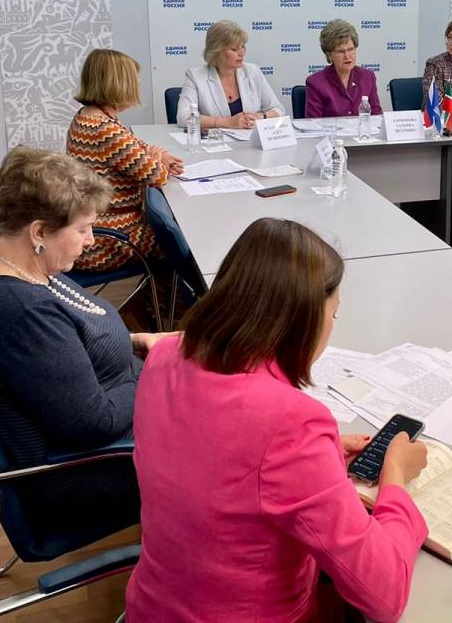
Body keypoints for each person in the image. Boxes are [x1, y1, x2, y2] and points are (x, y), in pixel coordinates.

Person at [127, 218, 430, 622]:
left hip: (153, 606)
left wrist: (320, 458)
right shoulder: (291, 422)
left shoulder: (165, 357)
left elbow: (216, 462)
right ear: (306, 320)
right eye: (334, 315)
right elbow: (385, 594)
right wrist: (395, 475)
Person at [0, 147, 175, 539]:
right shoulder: (25, 314)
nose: (91, 240)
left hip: (107, 439)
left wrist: (137, 341)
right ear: (39, 232)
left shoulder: (16, 268)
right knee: (232, 447)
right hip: (86, 472)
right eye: (83, 229)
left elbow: (64, 348)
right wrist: (158, 370)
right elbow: (95, 422)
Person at [67, 48, 182, 276]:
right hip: (107, 237)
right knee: (179, 241)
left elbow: (135, 145)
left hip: (92, 225)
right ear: (119, 84)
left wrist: (155, 155)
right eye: (134, 80)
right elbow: (157, 176)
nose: (137, 85)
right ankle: (166, 298)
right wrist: (156, 159)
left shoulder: (88, 116)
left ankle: (156, 294)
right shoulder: (106, 130)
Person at [176, 20, 285, 130]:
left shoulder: (253, 71)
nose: (241, 53)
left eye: (243, 47)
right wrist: (226, 122)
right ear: (217, 51)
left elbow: (278, 109)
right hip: (216, 140)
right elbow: (183, 117)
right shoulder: (196, 76)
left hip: (249, 139)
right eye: (234, 49)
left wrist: (259, 117)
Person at [305, 19, 384, 118]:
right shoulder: (316, 83)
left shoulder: (368, 77)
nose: (347, 56)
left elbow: (377, 117)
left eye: (351, 49)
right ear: (329, 54)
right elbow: (313, 123)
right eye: (340, 51)